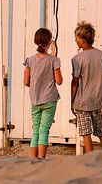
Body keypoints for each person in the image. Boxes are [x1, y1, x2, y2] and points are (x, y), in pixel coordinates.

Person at [70, 21, 102, 153]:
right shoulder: (101, 55)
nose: (75, 40)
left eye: (76, 38)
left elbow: (75, 82)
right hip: (98, 99)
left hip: (83, 102)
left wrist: (72, 101)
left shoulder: (77, 59)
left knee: (86, 133)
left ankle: (90, 158)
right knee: (101, 132)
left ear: (83, 40)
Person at [23, 28, 63, 159]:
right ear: (50, 42)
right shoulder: (54, 60)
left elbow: (26, 82)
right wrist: (54, 56)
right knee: (44, 129)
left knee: (36, 130)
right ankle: (41, 159)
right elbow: (59, 81)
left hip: (35, 99)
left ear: (36, 41)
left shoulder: (29, 60)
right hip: (49, 99)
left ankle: (33, 160)